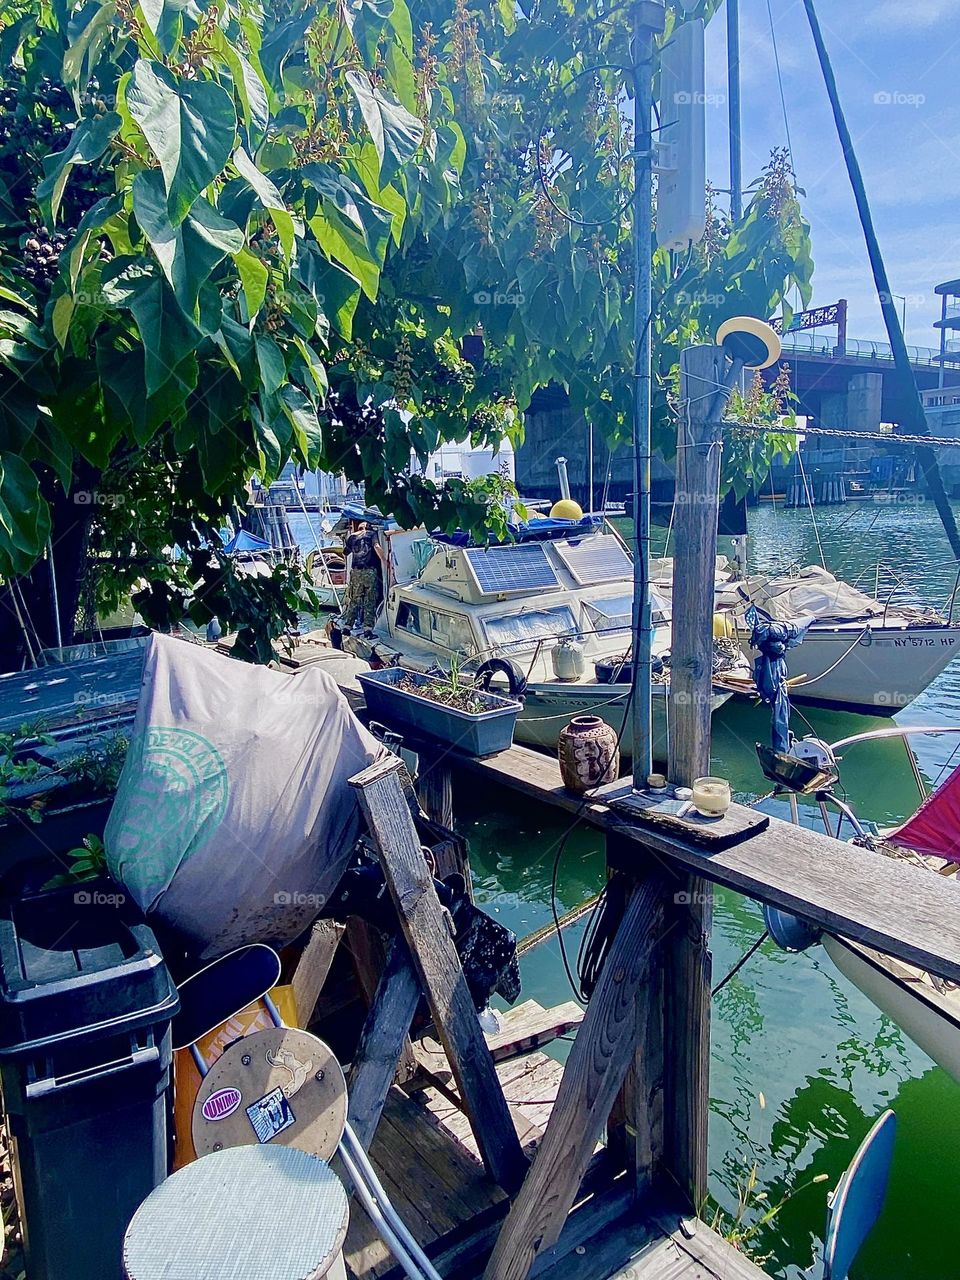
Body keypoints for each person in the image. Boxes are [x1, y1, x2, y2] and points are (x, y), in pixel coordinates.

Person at [341, 520, 384, 633]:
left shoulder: (352, 536)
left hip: (356, 572)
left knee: (354, 600)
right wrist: (385, 560)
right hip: (369, 572)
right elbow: (376, 546)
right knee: (370, 600)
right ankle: (367, 629)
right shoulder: (371, 534)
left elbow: (345, 553)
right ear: (367, 527)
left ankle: (347, 626)